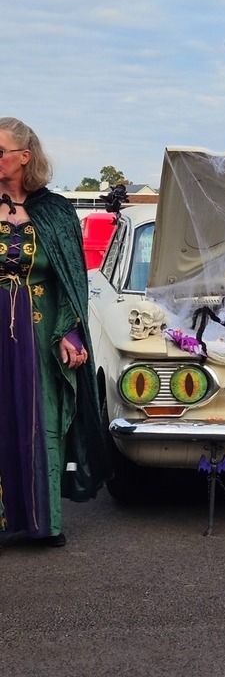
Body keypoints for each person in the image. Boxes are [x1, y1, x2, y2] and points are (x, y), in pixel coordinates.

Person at [0, 117, 111, 549]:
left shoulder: (56, 211)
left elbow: (72, 280)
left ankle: (42, 522)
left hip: (38, 331)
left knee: (37, 421)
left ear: (24, 157)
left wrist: (72, 333)